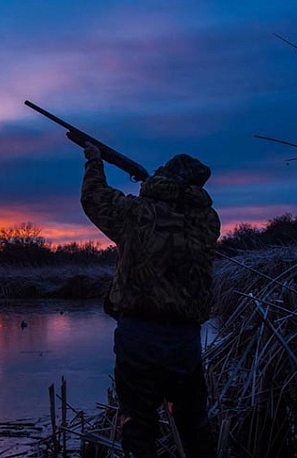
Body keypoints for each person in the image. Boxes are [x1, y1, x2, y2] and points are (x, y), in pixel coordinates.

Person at [79, 143, 220, 458]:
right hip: (185, 340)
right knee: (193, 424)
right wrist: (150, 186)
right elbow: (173, 213)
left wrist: (94, 161)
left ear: (164, 177)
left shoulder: (136, 213)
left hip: (138, 337)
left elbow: (94, 198)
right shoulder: (208, 221)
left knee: (138, 426)